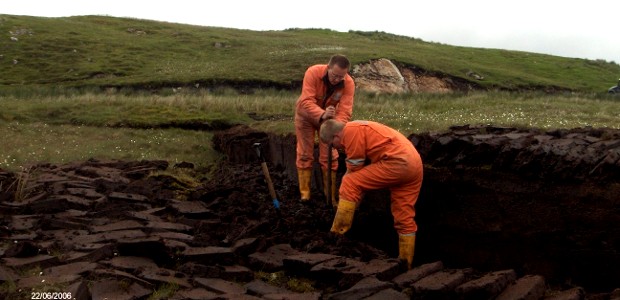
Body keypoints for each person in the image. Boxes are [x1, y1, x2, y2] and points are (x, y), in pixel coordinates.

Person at [319, 119, 423, 269]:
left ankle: (337, 235)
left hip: (396, 162)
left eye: (332, 145)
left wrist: (347, 199)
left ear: (336, 136)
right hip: (414, 165)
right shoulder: (362, 129)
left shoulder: (350, 131)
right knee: (404, 217)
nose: (335, 149)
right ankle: (406, 264)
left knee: (349, 182)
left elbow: (354, 168)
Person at [295, 54, 355, 204]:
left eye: (341, 77)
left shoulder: (348, 82)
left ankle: (330, 196)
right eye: (334, 75)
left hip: (329, 121)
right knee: (304, 153)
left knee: (330, 157)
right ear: (328, 67)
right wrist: (322, 113)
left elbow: (345, 109)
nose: (336, 79)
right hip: (306, 117)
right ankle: (305, 194)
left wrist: (336, 126)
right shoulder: (313, 72)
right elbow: (306, 101)